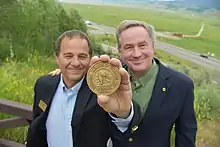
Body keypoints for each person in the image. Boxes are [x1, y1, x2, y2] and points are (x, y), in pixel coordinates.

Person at [50, 20, 198, 147]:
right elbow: (76, 68)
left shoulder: (181, 85)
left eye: (142, 45)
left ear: (153, 46)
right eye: (128, 47)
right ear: (120, 50)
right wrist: (63, 72)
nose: (137, 53)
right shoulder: (107, 72)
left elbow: (185, 136)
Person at [25, 30, 137, 147]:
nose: (75, 63)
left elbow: (123, 132)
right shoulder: (43, 85)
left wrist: (124, 114)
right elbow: (38, 124)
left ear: (90, 59)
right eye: (68, 56)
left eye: (82, 56)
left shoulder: (103, 94)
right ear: (57, 58)